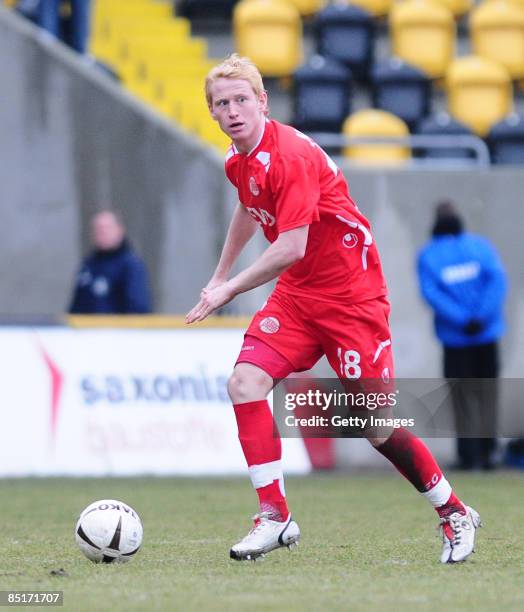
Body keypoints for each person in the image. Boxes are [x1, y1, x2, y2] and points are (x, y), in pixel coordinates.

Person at [186, 54, 480, 564]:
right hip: (299, 297)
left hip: (351, 298)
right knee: (245, 383)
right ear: (211, 112)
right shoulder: (240, 160)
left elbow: (291, 245)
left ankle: (453, 511)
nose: (231, 110)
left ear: (263, 102)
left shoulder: (292, 156)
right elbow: (249, 206)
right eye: (220, 103)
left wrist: (228, 289)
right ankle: (274, 516)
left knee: (378, 428)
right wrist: (218, 272)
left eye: (240, 100)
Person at [417, 201, 507, 470]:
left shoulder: (429, 255)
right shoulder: (480, 247)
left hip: (455, 338)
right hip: (486, 335)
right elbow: (497, 282)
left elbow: (432, 294)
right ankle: (489, 452)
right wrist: (480, 316)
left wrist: (462, 320)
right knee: (487, 395)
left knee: (461, 398)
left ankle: (469, 456)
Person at [69, 210, 152, 314]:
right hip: (87, 329)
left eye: (107, 228)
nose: (102, 233)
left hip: (115, 329)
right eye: (98, 229)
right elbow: (76, 306)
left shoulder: (130, 265)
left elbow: (138, 308)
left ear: (120, 230)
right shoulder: (89, 265)